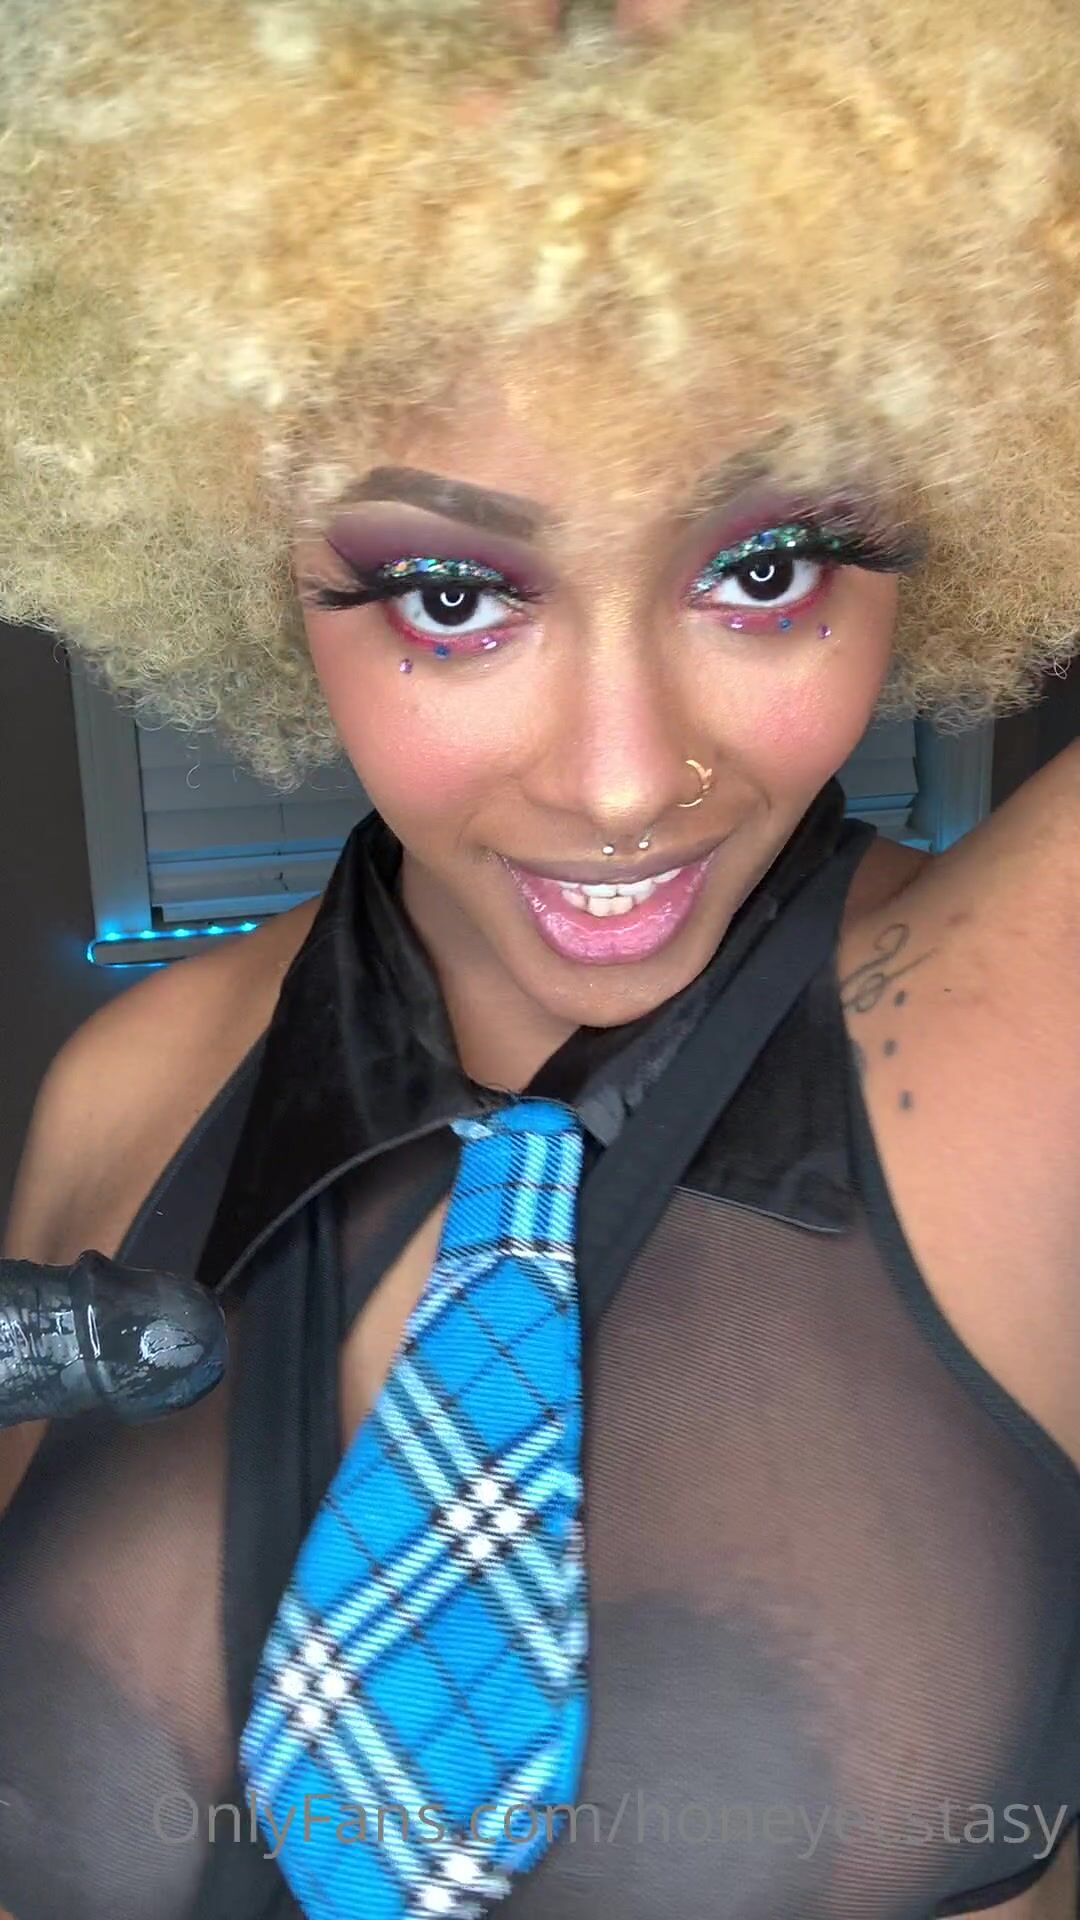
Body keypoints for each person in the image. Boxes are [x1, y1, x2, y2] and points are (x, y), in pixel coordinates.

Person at [0, 0, 1078, 1915]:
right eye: (451, 592)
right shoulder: (126, 1094)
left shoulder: (1041, 1009)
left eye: (766, 567)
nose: (623, 779)